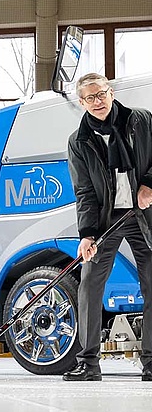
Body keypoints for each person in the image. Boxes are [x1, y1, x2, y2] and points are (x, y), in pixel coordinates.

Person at [65, 73, 152, 382]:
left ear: (111, 93)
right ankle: (88, 363)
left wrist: (148, 185)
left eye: (101, 94)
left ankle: (151, 362)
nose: (97, 101)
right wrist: (87, 234)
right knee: (89, 285)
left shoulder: (140, 121)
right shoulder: (79, 142)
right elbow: (85, 192)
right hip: (107, 220)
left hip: (144, 215)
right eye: (90, 97)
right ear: (82, 103)